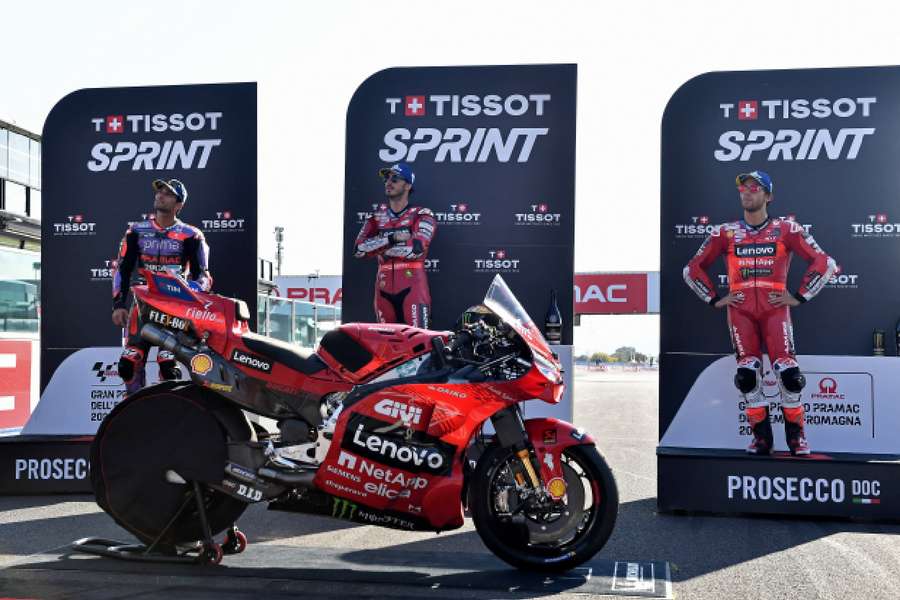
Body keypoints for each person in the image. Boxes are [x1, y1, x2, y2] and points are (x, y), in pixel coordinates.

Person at [683, 170, 836, 456]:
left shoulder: (787, 229)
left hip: (775, 311)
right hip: (740, 313)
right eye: (743, 187)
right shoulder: (724, 232)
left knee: (790, 377)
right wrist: (715, 298)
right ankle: (761, 438)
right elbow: (691, 269)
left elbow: (824, 262)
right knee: (747, 377)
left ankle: (797, 438)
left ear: (768, 195)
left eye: (755, 187)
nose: (747, 191)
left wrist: (799, 296)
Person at [111, 178, 212, 395]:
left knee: (167, 366)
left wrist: (189, 293)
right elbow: (122, 269)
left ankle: (165, 417)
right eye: (159, 192)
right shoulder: (136, 231)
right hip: (142, 305)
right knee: (127, 365)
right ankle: (135, 412)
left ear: (179, 204)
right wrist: (118, 304)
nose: (160, 195)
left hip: (174, 308)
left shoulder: (191, 235)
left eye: (167, 194)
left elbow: (203, 277)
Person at [354, 163, 436, 328]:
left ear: (407, 185)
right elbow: (359, 250)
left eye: (395, 178)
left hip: (413, 287)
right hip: (382, 289)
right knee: (387, 346)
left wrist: (378, 246)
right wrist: (393, 238)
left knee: (419, 342)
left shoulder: (422, 214)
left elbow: (417, 249)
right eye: (387, 178)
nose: (388, 182)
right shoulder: (376, 218)